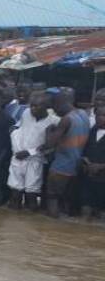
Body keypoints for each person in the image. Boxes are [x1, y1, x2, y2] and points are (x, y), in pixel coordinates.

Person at [8, 93, 60, 211]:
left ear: (46, 106)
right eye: (32, 105)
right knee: (15, 193)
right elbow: (18, 127)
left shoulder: (54, 121)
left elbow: (51, 145)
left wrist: (29, 152)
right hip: (17, 158)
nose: (33, 109)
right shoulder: (26, 113)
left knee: (31, 194)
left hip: (35, 161)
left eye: (37, 106)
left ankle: (30, 221)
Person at [45, 89, 91, 218]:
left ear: (60, 103)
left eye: (54, 106)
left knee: (52, 198)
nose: (54, 110)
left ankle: (50, 230)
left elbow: (49, 144)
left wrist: (49, 131)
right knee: (68, 204)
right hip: (76, 166)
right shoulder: (83, 114)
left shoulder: (65, 120)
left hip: (60, 167)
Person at [82, 105, 105, 220]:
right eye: (97, 115)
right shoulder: (92, 131)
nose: (99, 118)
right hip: (88, 177)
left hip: (103, 180)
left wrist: (100, 166)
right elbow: (84, 150)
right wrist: (86, 161)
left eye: (103, 115)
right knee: (85, 207)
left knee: (102, 212)